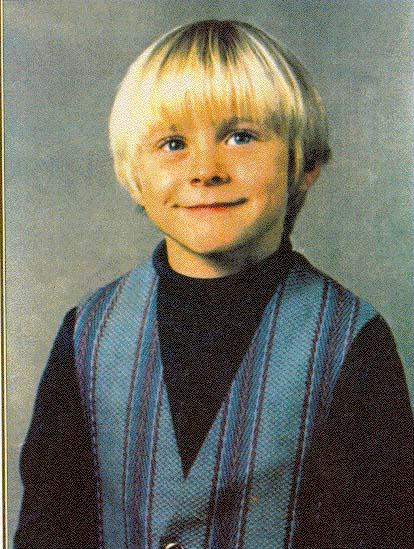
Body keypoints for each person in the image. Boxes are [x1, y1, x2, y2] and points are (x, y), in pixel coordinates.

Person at [15, 20, 412, 549]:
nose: (205, 169)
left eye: (240, 136)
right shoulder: (89, 333)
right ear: (133, 175)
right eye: (173, 143)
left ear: (305, 162)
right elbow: (48, 527)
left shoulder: (349, 340)